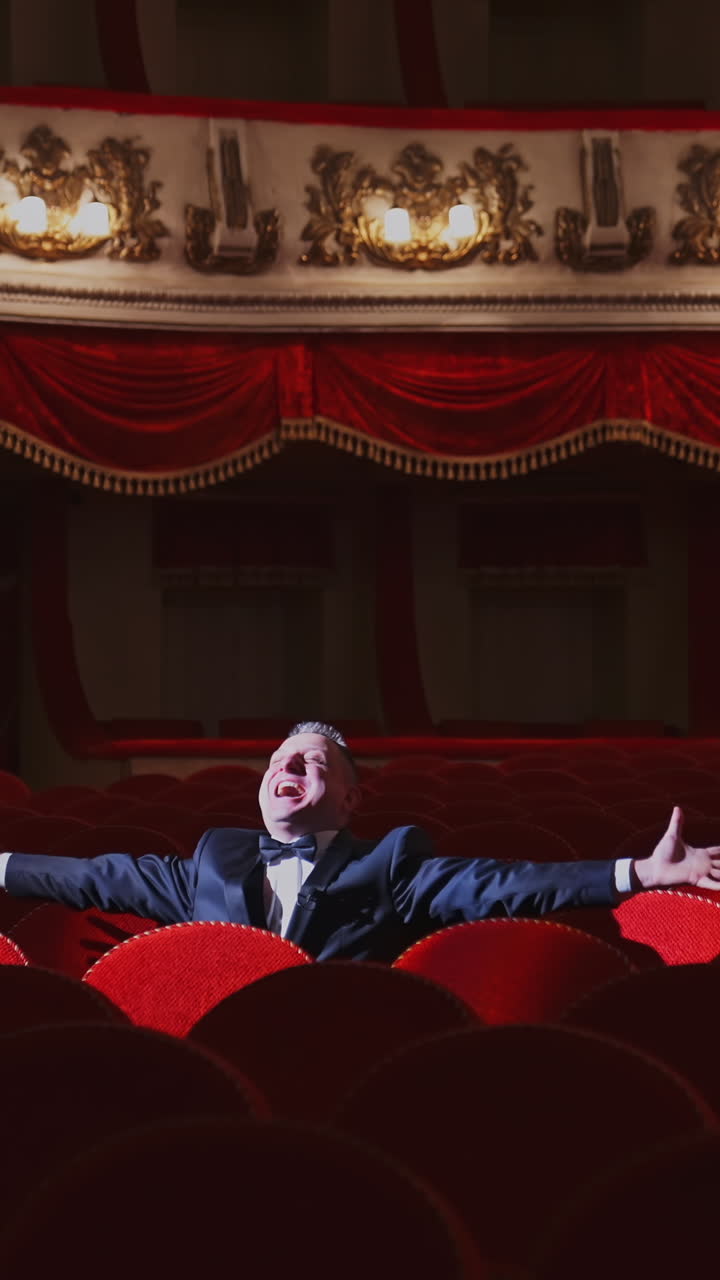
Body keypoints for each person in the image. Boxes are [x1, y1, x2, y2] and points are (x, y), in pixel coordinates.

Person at [1, 720, 719, 961]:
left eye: (313, 762)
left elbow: (502, 884)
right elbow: (97, 877)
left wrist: (637, 872)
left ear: (349, 798)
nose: (289, 764)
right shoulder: (214, 859)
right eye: (281, 758)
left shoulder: (389, 862)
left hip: (337, 1054)